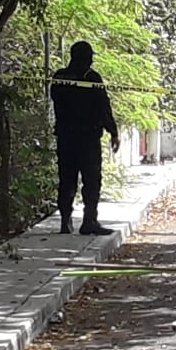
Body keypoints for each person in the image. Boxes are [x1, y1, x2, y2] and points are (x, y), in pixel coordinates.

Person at [50, 41, 120, 236]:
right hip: (87, 138)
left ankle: (66, 221)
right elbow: (104, 108)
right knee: (91, 180)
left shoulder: (60, 77)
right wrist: (113, 132)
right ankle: (89, 221)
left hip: (66, 137)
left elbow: (56, 101)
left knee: (67, 179)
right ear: (86, 58)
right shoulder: (92, 78)